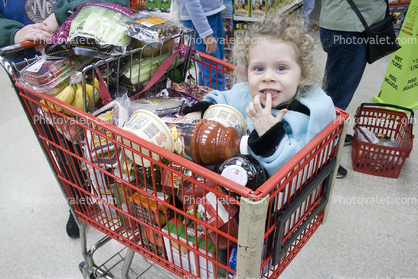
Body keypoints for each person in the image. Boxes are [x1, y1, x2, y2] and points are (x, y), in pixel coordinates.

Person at [0, 0, 130, 238]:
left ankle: (121, 200)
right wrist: (12, 33)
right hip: (36, 77)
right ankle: (78, 199)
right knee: (62, 148)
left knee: (106, 140)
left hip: (93, 64)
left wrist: (60, 16)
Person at [185, 13, 336, 176]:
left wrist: (270, 135)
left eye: (281, 68)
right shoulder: (245, 93)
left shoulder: (304, 118)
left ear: (302, 76)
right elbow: (223, 99)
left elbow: (297, 173)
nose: (268, 77)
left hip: (265, 194)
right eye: (259, 69)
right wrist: (200, 110)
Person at [319, 0, 386, 178]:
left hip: (346, 22)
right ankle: (323, 157)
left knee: (335, 89)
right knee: (336, 99)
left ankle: (331, 137)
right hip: (350, 28)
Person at [176, 0, 225, 90]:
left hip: (214, 13)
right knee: (213, 71)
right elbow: (191, 2)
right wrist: (206, 33)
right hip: (198, 19)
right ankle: (216, 102)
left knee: (210, 68)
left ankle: (205, 99)